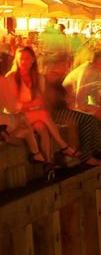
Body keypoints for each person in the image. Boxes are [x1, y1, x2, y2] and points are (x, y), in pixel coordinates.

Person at [7, 47, 80, 177]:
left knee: (42, 128)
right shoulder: (12, 77)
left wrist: (29, 106)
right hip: (17, 117)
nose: (23, 62)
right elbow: (13, 106)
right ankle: (64, 146)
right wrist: (30, 106)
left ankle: (48, 165)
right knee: (43, 114)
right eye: (21, 59)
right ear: (16, 61)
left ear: (33, 60)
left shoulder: (38, 78)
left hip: (32, 116)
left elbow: (41, 102)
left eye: (27, 59)